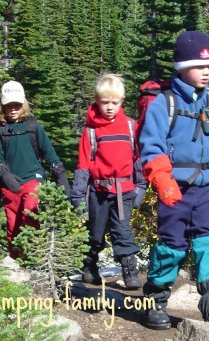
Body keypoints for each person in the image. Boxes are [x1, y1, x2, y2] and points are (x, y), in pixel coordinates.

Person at [139, 31, 209, 332]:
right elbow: (151, 145)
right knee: (172, 246)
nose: (206, 71)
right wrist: (163, 181)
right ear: (181, 66)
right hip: (175, 188)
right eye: (199, 65)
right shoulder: (163, 103)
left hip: (206, 188)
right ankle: (155, 301)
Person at [70, 73, 146, 290]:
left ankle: (130, 271)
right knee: (94, 232)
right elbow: (84, 165)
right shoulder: (91, 132)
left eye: (114, 102)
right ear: (96, 100)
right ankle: (89, 268)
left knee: (123, 230)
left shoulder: (132, 127)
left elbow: (139, 158)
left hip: (124, 190)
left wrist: (141, 186)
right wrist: (78, 195)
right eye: (105, 102)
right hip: (98, 191)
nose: (110, 107)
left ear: (122, 101)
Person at [0, 80, 72, 259]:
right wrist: (6, 176)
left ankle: (32, 258)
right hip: (11, 185)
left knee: (30, 216)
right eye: (9, 105)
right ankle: (15, 261)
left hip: (33, 180)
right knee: (13, 225)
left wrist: (62, 179)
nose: (13, 109)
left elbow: (50, 154)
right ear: (2, 107)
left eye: (17, 105)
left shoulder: (34, 127)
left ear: (23, 104)